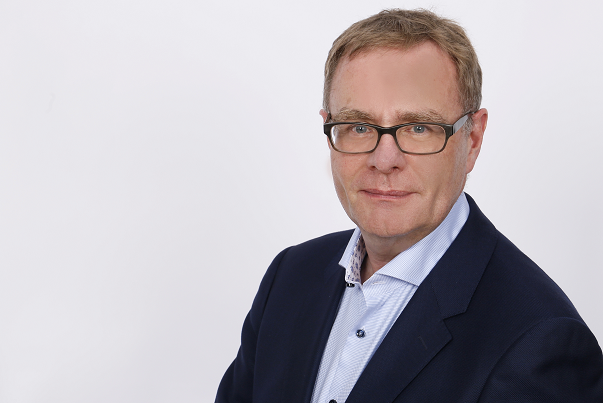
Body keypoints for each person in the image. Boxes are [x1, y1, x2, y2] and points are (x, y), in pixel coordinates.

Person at [215, 9, 603, 402]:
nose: (384, 160)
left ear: (472, 140)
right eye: (359, 126)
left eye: (419, 127)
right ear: (329, 129)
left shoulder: (540, 343)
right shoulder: (290, 277)